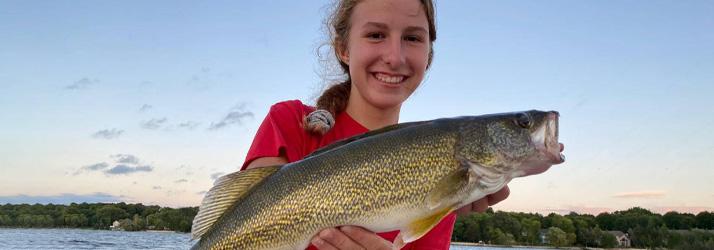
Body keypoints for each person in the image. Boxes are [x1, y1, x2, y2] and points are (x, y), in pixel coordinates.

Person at [240, 0, 510, 249]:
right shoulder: (290, 122)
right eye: (376, 35)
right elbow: (245, 225)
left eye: (413, 38)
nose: (395, 57)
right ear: (343, 49)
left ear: (428, 54)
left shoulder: (440, 194)